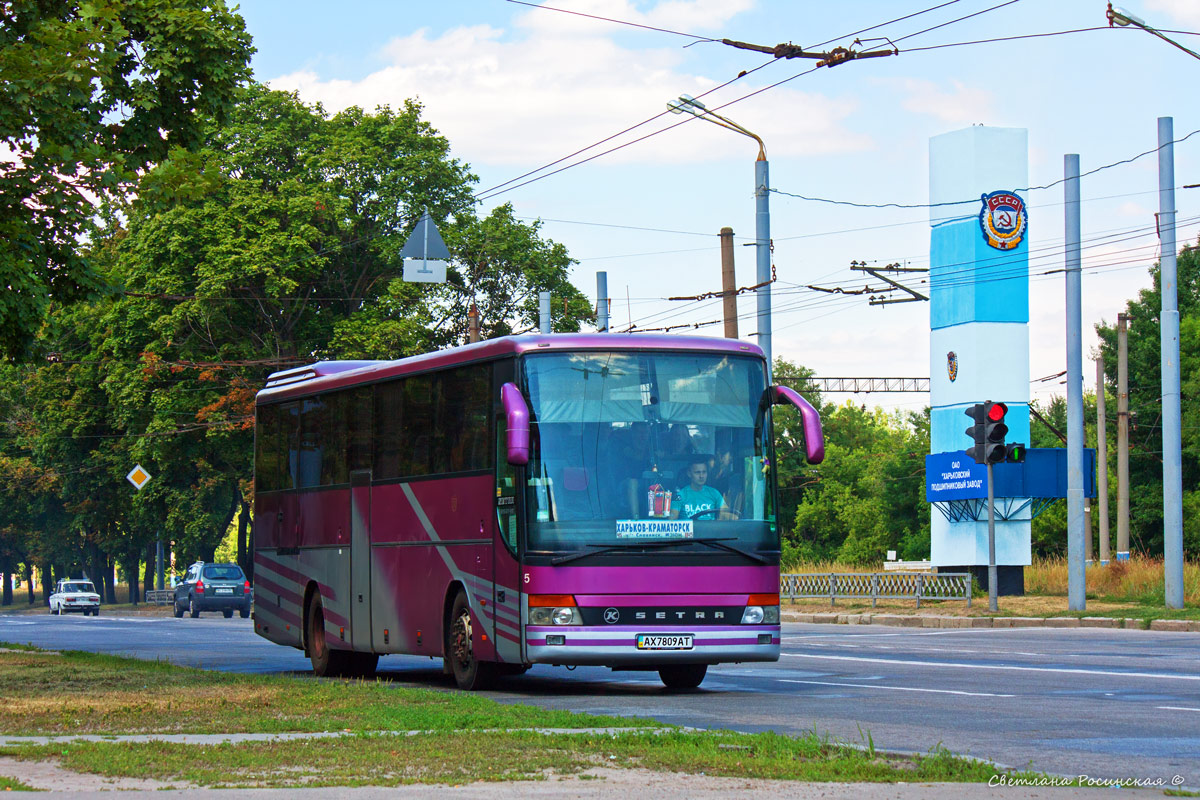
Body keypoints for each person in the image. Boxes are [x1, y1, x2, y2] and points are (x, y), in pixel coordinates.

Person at [671, 455, 729, 520]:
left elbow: (727, 515)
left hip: (711, 530)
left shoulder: (714, 493)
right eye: (697, 472)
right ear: (689, 473)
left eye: (704, 472)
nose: (701, 476)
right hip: (690, 530)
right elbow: (671, 522)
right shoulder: (680, 496)